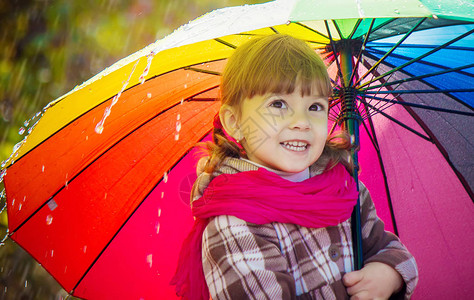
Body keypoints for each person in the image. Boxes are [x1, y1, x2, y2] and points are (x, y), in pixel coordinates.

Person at [171, 34, 418, 300]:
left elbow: (388, 247)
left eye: (314, 106)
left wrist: (388, 273)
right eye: (278, 104)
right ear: (234, 122)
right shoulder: (235, 222)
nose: (301, 122)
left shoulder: (345, 188)